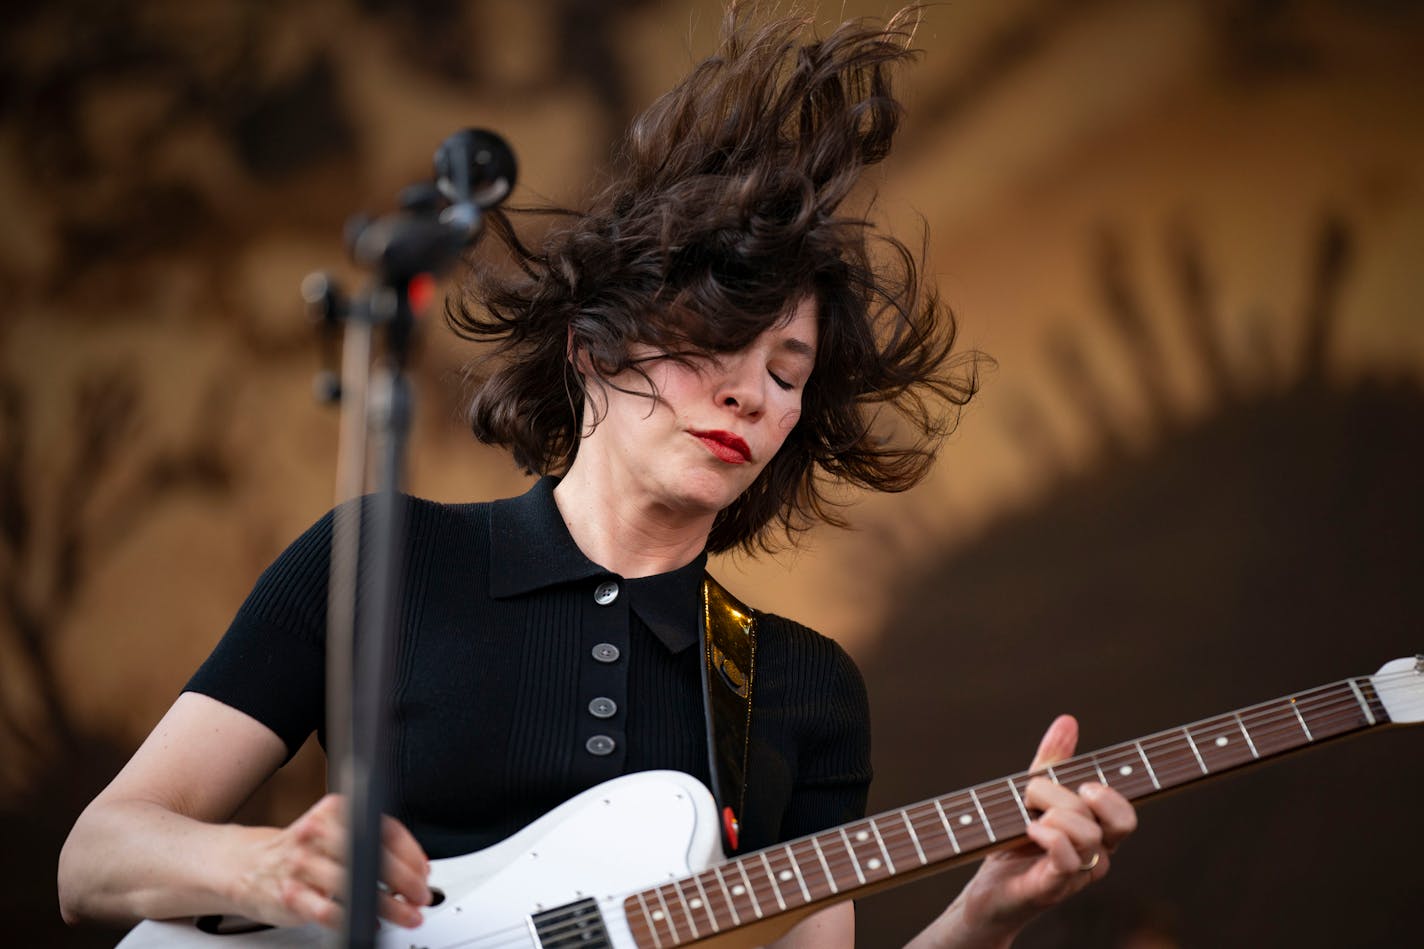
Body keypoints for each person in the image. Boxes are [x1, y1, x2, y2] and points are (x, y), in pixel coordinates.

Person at [58, 6, 1137, 947]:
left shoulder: (802, 686)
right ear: (589, 346)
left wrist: (983, 918)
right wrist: (257, 868)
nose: (750, 394)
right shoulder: (384, 558)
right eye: (715, 342)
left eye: (785, 370)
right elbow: (95, 858)